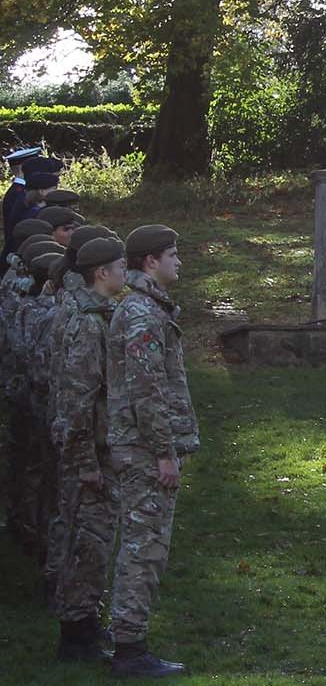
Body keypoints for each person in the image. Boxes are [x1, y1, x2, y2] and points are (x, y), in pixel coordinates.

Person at [107, 224, 199, 675]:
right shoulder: (143, 314)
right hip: (144, 450)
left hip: (142, 446)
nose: (178, 262)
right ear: (151, 262)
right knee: (143, 549)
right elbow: (147, 391)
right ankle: (129, 648)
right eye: (173, 255)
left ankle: (127, 639)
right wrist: (165, 451)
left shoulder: (147, 309)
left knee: (143, 546)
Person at [51, 233, 127, 663]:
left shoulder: (98, 314)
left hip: (96, 449)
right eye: (119, 268)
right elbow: (77, 399)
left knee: (94, 542)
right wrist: (85, 463)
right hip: (90, 455)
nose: (124, 274)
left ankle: (85, 624)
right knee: (89, 543)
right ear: (102, 273)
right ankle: (76, 634)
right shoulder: (88, 322)